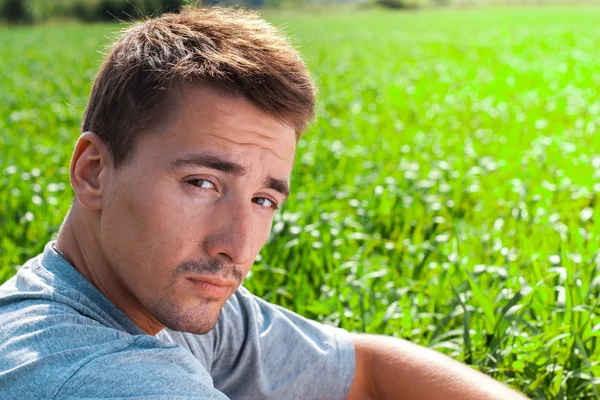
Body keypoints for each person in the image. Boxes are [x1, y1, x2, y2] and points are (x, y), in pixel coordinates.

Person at [0, 6, 528, 400]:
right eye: (202, 183)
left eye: (263, 199)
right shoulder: (87, 375)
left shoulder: (153, 297)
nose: (235, 244)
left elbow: (363, 368)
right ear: (93, 172)